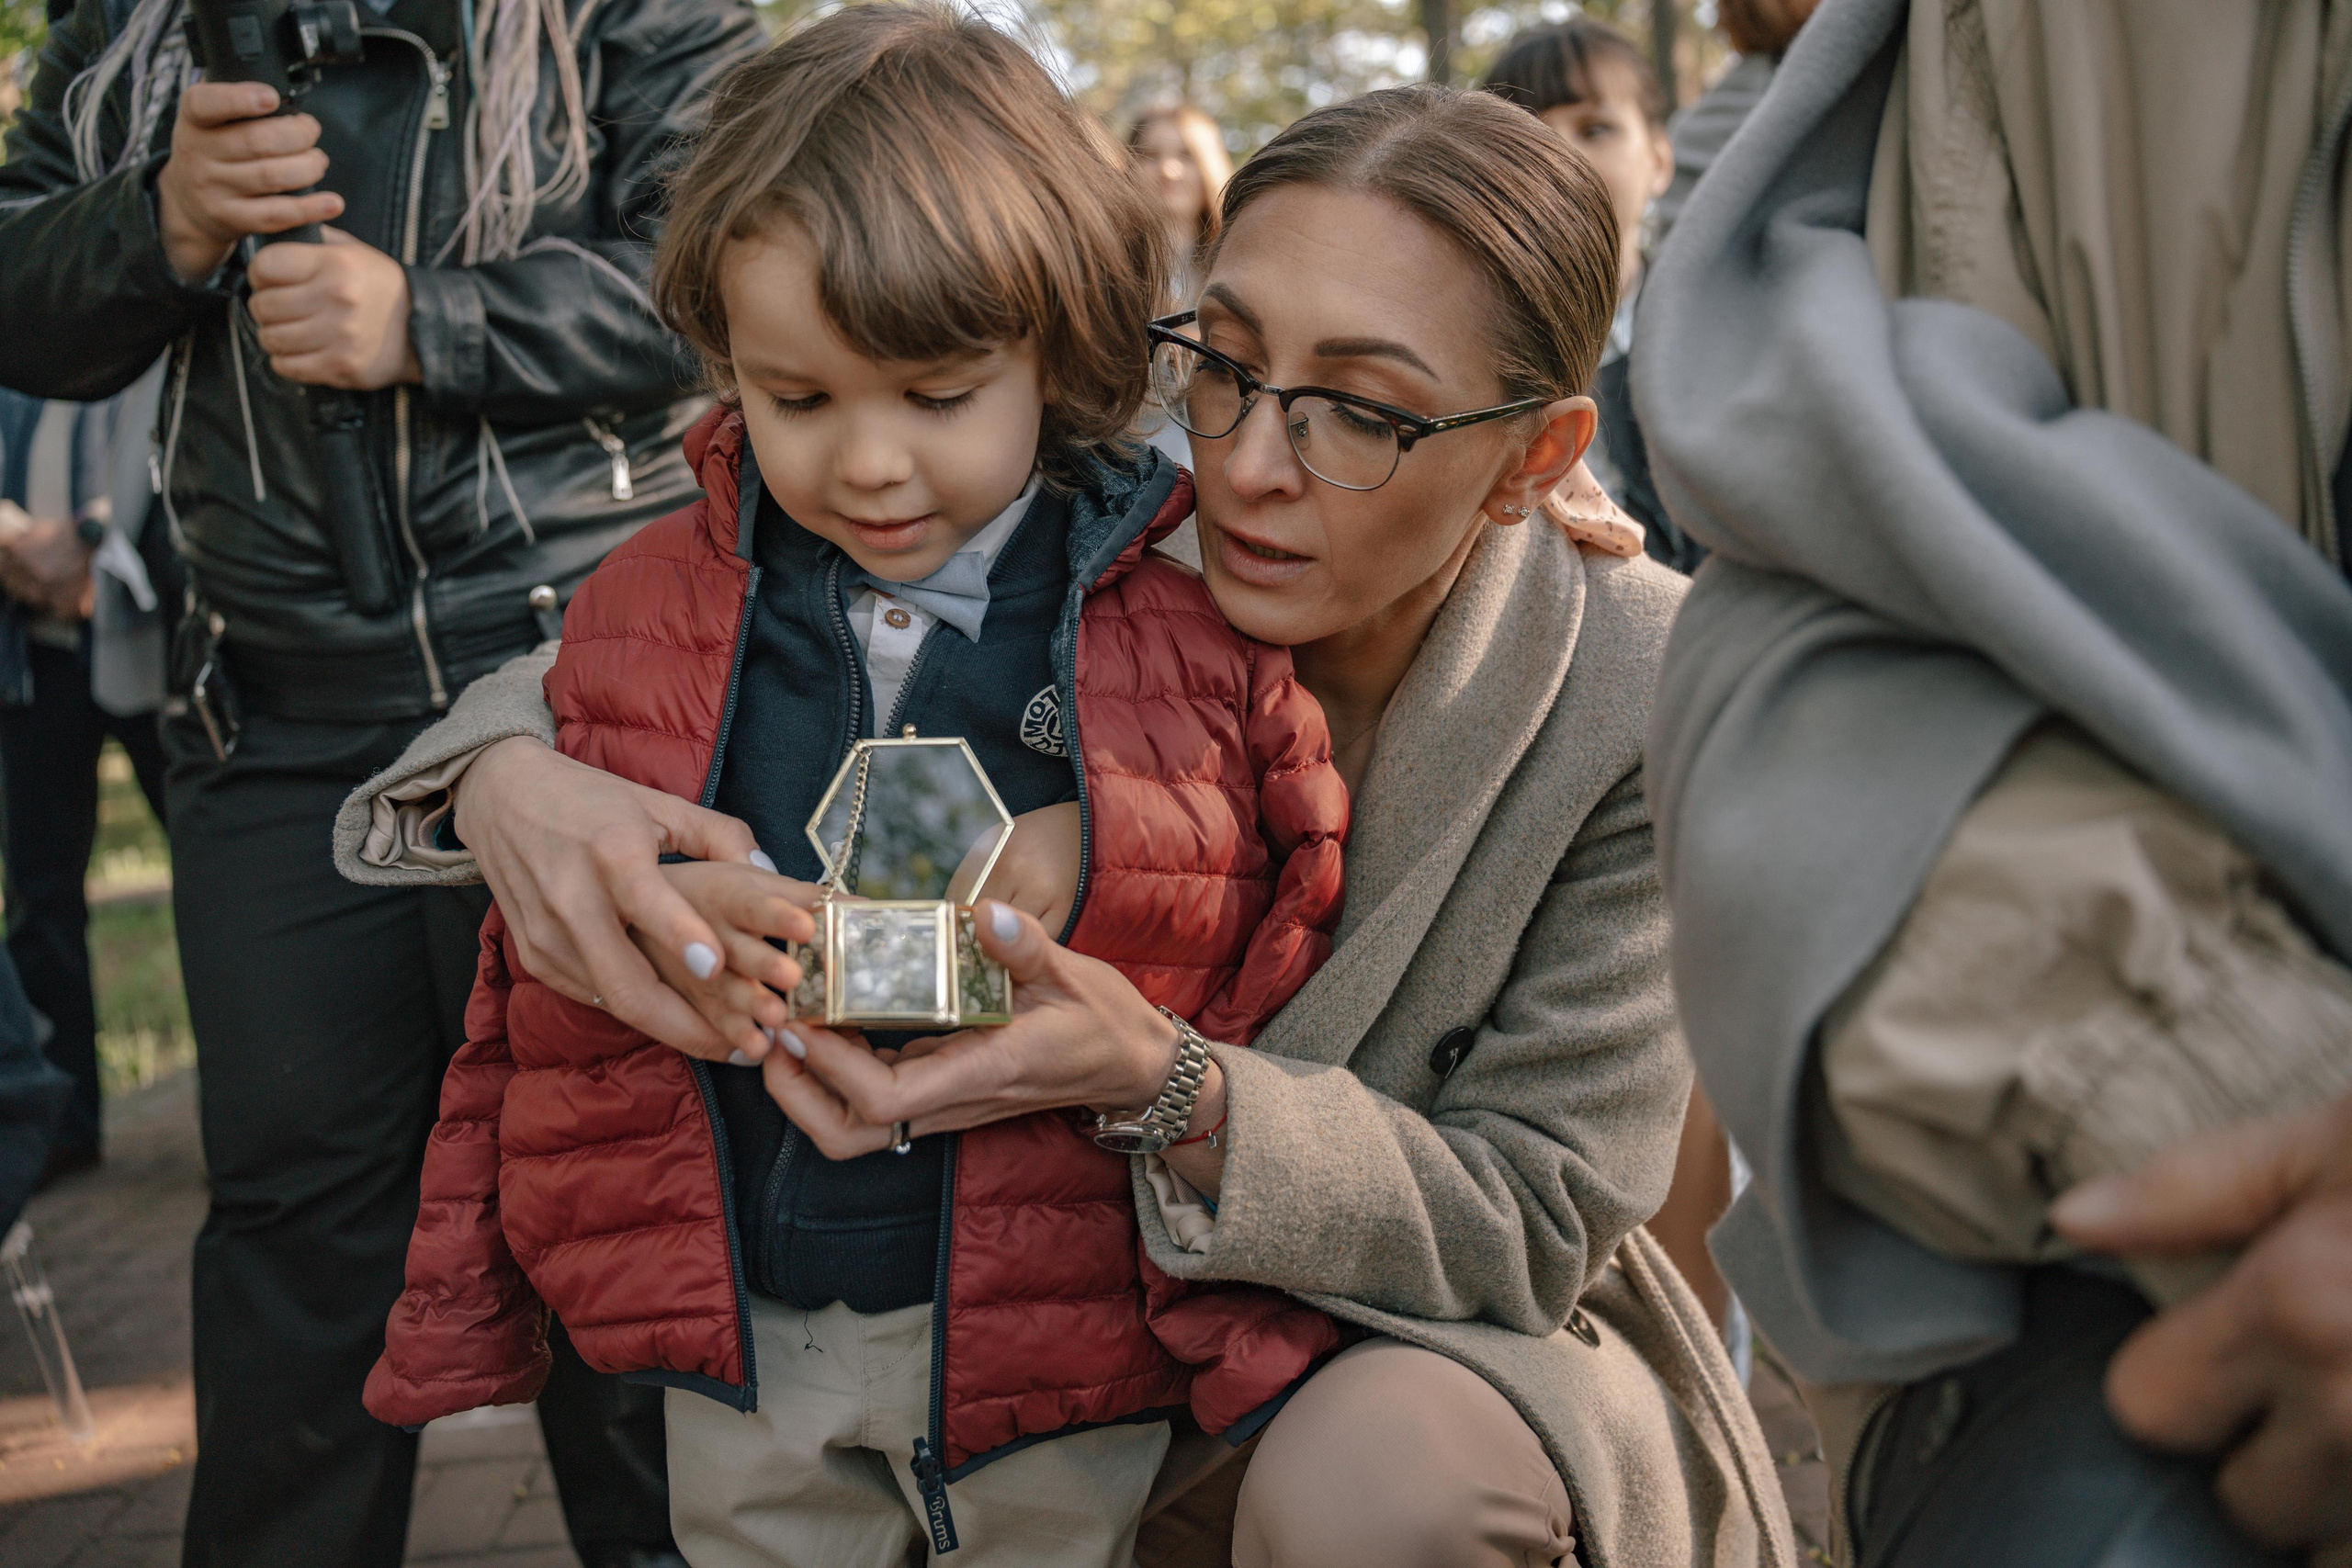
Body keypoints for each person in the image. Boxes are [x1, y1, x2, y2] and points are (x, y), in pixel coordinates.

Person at [341, 75, 1793, 1568]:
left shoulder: (1642, 692)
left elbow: (1533, 1217)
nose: (1246, 463)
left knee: (1377, 1496)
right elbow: (650, 639)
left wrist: (1173, 1088)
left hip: (1430, 1333)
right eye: (1222, 364)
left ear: (1534, 459)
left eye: (1361, 409)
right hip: (1023, 1314)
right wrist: (514, 782)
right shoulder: (1102, 503)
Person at [361, 14, 1348, 1567]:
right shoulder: (662, 602)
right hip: (754, 1299)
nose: (870, 463)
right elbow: (547, 868)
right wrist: (661, 910)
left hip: (1051, 1312)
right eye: (799, 400)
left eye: (938, 395)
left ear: (1059, 350)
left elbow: (1268, 861)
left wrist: (1109, 837)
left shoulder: (1170, 606)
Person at [0, 0, 764, 1559]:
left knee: (628, 1234)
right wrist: (161, 221)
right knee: (298, 1261)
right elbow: (20, 297)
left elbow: (732, 271)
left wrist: (431, 320)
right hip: (272, 719)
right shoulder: (125, 27)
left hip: (592, 688)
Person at [1638, 0, 2352, 1562]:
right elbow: (1800, 636)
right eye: (1226, 369)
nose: (1269, 460)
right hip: (2093, 1258)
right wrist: (2221, 1066)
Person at [0, 372, 175, 1187]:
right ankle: (64, 1125)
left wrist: (86, 536)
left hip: (149, 651)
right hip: (37, 653)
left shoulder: (144, 334)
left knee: (210, 882)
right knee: (40, 894)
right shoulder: (25, 341)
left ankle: (247, 1120)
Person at [1481, 20, 1687, 575]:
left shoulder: (1724, 337)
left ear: (1661, 159)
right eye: (1530, 137)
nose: (1562, 156)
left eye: (1596, 128)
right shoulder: (1469, 353)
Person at [1127, 101, 1233, 309]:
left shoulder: (1236, 263)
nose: (1168, 170)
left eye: (1185, 156)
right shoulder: (1101, 263)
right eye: (1151, 155)